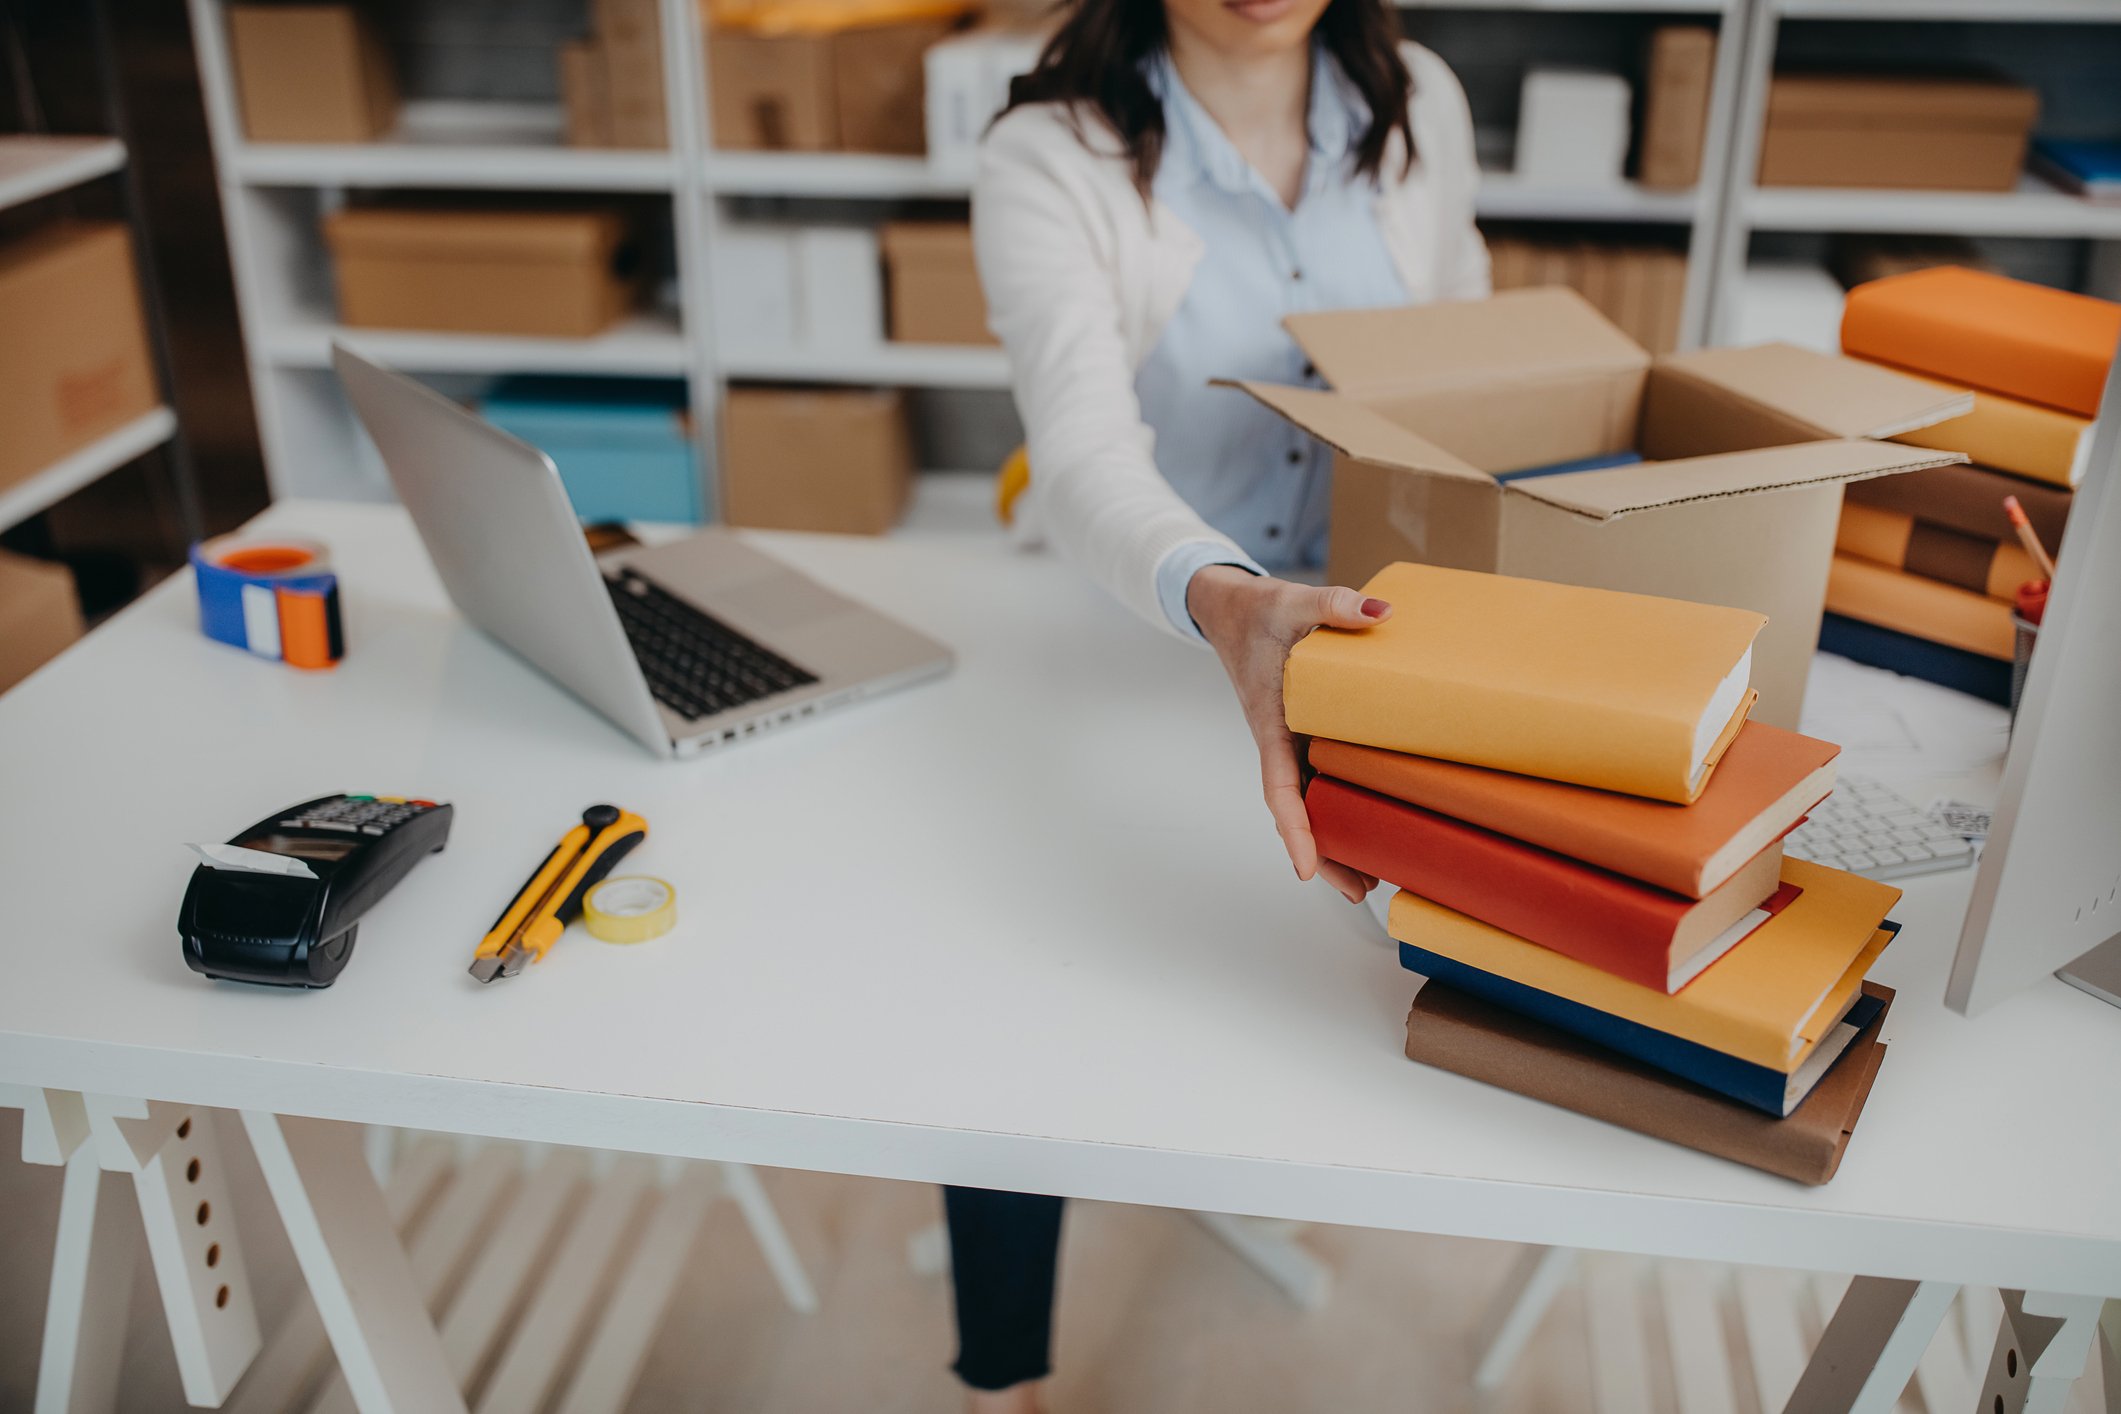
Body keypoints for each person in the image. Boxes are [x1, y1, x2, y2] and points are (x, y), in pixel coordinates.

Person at [953, 0, 1488, 1405]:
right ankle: (1002, 1367)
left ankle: (1225, 1152)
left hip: (1346, 629)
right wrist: (1221, 594)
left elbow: (1470, 374)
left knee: (1328, 959)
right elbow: (1073, 450)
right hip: (1135, 622)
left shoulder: (1417, 103)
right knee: (1020, 973)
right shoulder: (1049, 152)